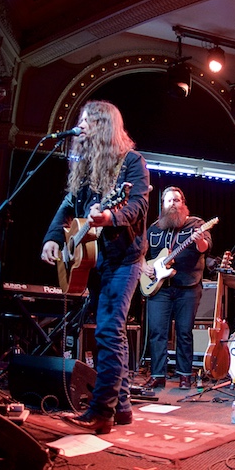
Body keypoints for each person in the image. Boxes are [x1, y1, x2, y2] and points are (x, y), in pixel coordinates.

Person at [40, 101, 149, 434]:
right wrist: (54, 237)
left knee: (107, 332)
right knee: (111, 331)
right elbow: (67, 204)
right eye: (81, 120)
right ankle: (124, 409)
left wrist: (110, 217)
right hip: (95, 260)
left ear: (104, 125)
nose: (81, 125)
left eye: (88, 120)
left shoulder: (132, 162)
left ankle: (102, 412)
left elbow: (138, 204)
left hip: (125, 259)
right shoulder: (86, 167)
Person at [142, 187, 212, 389]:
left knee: (184, 331)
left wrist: (199, 240)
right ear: (162, 205)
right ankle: (157, 374)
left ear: (183, 203)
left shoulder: (196, 225)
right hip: (159, 288)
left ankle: (184, 375)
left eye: (177, 200)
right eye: (169, 200)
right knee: (157, 331)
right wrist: (143, 266)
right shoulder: (154, 228)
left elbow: (205, 247)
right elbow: (140, 252)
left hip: (187, 286)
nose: (173, 203)